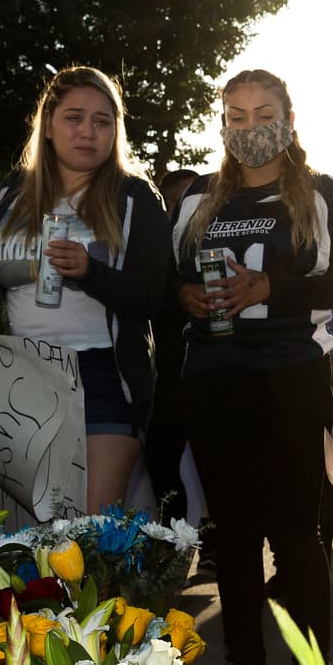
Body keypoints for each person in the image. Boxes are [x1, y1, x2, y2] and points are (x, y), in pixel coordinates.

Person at [172, 68, 333, 665]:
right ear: (223, 124)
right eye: (237, 116)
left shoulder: (320, 195)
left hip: (290, 378)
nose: (251, 127)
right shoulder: (196, 198)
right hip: (215, 379)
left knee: (295, 536)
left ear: (289, 118)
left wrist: (271, 288)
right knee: (236, 535)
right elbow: (171, 282)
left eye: (264, 112)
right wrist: (187, 298)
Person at [0, 66, 169, 513]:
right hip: (18, 371)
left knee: (89, 535)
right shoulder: (10, 193)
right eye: (74, 117)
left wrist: (90, 272)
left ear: (115, 130)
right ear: (48, 124)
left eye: (102, 121)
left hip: (105, 376)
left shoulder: (135, 198)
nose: (87, 131)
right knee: (27, 528)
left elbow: (152, 299)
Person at [146, 169, 199, 530]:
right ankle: (173, 546)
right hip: (170, 378)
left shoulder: (220, 245)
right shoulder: (154, 253)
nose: (180, 209)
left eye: (189, 200)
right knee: (161, 461)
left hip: (221, 376)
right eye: (173, 202)